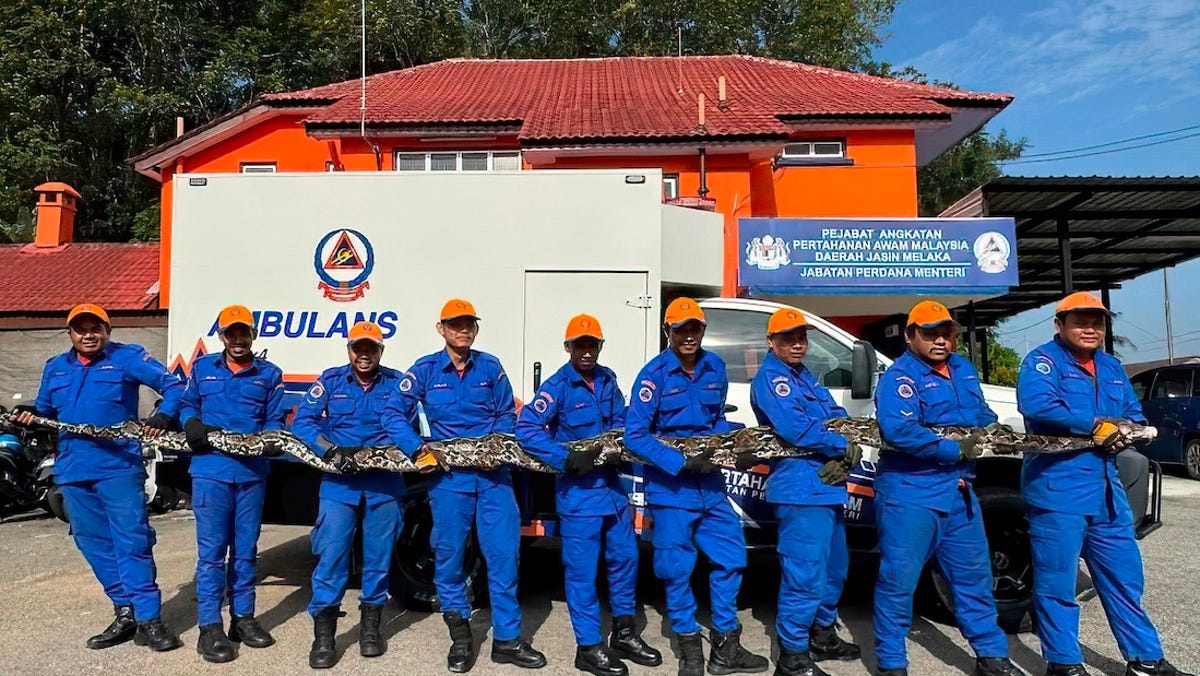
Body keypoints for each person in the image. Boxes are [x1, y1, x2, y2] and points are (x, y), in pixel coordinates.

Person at [1016, 292, 1192, 676]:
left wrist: (1129, 429)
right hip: (1058, 487)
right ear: (1060, 324)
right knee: (1058, 584)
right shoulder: (1042, 362)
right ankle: (1063, 663)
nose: (1090, 328)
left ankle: (1146, 659)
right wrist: (1097, 425)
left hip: (1106, 489)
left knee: (1124, 577)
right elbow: (1039, 406)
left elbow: (1132, 412)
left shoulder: (1111, 366)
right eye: (1080, 320)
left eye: (1097, 321)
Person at [384, 299, 546, 673]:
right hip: (450, 482)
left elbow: (507, 413)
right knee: (449, 557)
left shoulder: (490, 366)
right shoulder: (424, 370)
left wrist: (496, 444)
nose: (463, 330)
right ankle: (460, 636)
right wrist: (418, 451)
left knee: (505, 557)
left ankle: (506, 640)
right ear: (441, 329)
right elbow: (393, 414)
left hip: (493, 479)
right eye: (455, 325)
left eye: (469, 324)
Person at [13, 303, 184, 652]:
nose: (88, 334)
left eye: (96, 327)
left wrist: (163, 417)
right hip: (73, 469)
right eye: (81, 328)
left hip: (118, 467)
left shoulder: (128, 358)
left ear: (107, 330)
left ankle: (150, 619)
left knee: (132, 541)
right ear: (70, 333)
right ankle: (126, 611)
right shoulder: (56, 368)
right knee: (92, 542)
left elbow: (175, 385)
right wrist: (27, 416)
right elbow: (45, 411)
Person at [872, 300, 1021, 676]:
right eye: (930, 333)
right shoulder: (899, 379)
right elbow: (900, 430)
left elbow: (980, 413)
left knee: (974, 579)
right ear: (910, 336)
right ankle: (892, 663)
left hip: (958, 492)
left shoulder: (962, 370)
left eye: (946, 332)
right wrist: (953, 449)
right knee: (898, 581)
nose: (940, 340)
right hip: (911, 491)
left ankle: (991, 656)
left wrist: (995, 431)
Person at [623, 297, 768, 676]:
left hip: (712, 487)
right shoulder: (653, 375)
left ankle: (725, 647)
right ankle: (690, 650)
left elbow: (715, 419)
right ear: (667, 331)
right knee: (676, 568)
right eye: (681, 328)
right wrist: (679, 462)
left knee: (733, 559)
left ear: (703, 330)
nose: (689, 335)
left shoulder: (715, 367)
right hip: (672, 490)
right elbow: (635, 435)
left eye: (695, 328)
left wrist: (738, 443)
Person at [516, 314, 662, 676]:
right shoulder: (558, 386)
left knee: (626, 560)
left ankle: (624, 634)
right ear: (568, 348)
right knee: (581, 574)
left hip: (613, 492)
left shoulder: (608, 379)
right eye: (579, 345)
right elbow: (527, 428)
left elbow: (620, 422)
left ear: (599, 347)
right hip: (579, 494)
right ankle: (588, 646)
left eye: (592, 344)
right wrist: (564, 458)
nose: (586, 351)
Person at [748, 308, 861, 676]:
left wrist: (835, 439)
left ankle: (822, 635)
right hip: (800, 489)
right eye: (788, 338)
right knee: (805, 575)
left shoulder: (803, 376)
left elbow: (833, 412)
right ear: (771, 341)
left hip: (827, 487)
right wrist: (837, 445)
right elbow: (795, 428)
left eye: (802, 337)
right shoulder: (772, 378)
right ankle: (793, 656)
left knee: (834, 570)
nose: (797, 344)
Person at [291, 321, 406, 669]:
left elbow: (406, 424)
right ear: (349, 350)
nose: (364, 354)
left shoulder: (397, 383)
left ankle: (370, 631)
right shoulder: (330, 380)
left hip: (384, 483)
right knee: (330, 557)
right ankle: (324, 638)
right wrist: (328, 449)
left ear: (380, 351)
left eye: (371, 348)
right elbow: (304, 422)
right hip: (340, 484)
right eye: (358, 347)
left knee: (379, 558)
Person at [179, 305, 286, 662]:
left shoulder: (269, 374)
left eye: (244, 332)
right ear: (222, 335)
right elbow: (187, 404)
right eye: (231, 333)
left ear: (253, 335)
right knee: (211, 554)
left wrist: (271, 439)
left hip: (252, 475)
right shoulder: (203, 368)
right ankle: (210, 627)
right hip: (210, 472)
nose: (238, 339)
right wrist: (191, 421)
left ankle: (243, 618)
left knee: (245, 550)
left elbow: (274, 419)